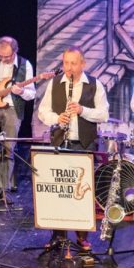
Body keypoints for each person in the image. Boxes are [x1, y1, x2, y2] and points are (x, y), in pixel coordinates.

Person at [38, 46, 109, 251]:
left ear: (83, 64)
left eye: (73, 63)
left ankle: (81, 236)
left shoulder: (94, 84)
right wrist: (57, 119)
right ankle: (58, 235)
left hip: (83, 143)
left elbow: (103, 114)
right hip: (60, 141)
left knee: (81, 191)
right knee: (59, 190)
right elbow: (43, 111)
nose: (69, 68)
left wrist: (82, 110)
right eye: (66, 63)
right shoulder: (55, 83)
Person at [0, 36, 36, 194]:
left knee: (8, 150)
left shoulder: (25, 65)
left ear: (15, 51)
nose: (3, 59)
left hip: (12, 109)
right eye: (1, 56)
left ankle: (4, 191)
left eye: (7, 56)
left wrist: (22, 91)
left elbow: (31, 94)